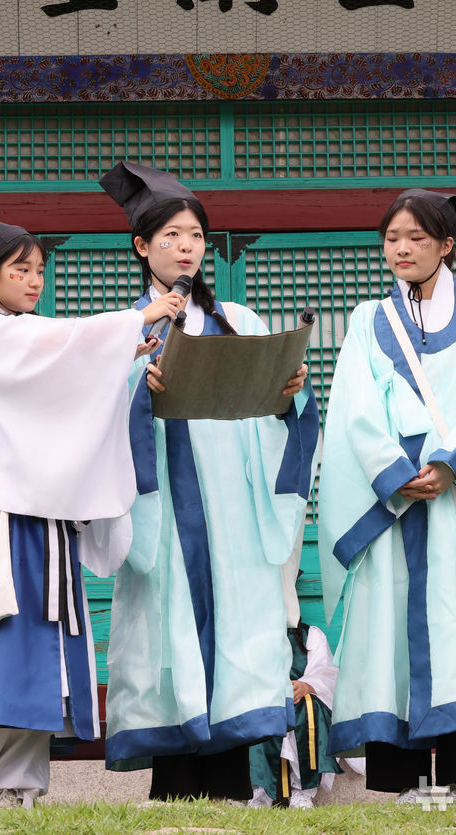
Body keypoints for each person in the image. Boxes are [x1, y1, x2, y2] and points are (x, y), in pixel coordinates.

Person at [0, 212, 184, 814]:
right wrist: (131, 321)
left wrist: (119, 358)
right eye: (21, 270)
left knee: (42, 637)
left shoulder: (29, 330)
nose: (34, 281)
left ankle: (17, 783)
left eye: (39, 270)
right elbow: (57, 347)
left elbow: (66, 368)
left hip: (41, 502)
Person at [99, 161, 320, 801]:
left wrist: (289, 394)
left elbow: (283, 421)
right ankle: (172, 788)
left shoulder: (242, 322)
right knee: (167, 638)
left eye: (195, 235)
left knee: (236, 636)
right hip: (163, 511)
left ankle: (231, 787)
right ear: (142, 247)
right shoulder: (120, 331)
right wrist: (137, 389)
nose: (186, 247)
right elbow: (90, 416)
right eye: (170, 236)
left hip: (232, 511)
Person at [318, 189, 456, 803]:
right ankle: (401, 785)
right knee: (388, 636)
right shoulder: (368, 319)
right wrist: (394, 471)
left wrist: (447, 464)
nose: (402, 249)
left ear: (446, 244)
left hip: (452, 502)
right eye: (392, 238)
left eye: (417, 237)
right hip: (395, 505)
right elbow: (354, 407)